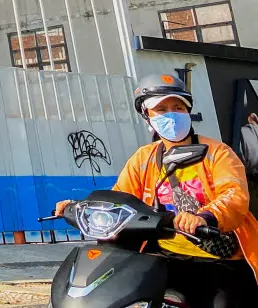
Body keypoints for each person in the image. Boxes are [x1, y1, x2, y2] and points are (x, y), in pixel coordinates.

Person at [55, 74, 258, 307]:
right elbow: (121, 198)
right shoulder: (144, 158)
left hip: (218, 259)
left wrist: (204, 217)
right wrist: (80, 207)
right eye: (161, 109)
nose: (171, 114)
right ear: (147, 117)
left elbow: (234, 195)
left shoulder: (218, 153)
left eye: (178, 107)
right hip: (163, 256)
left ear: (188, 111)